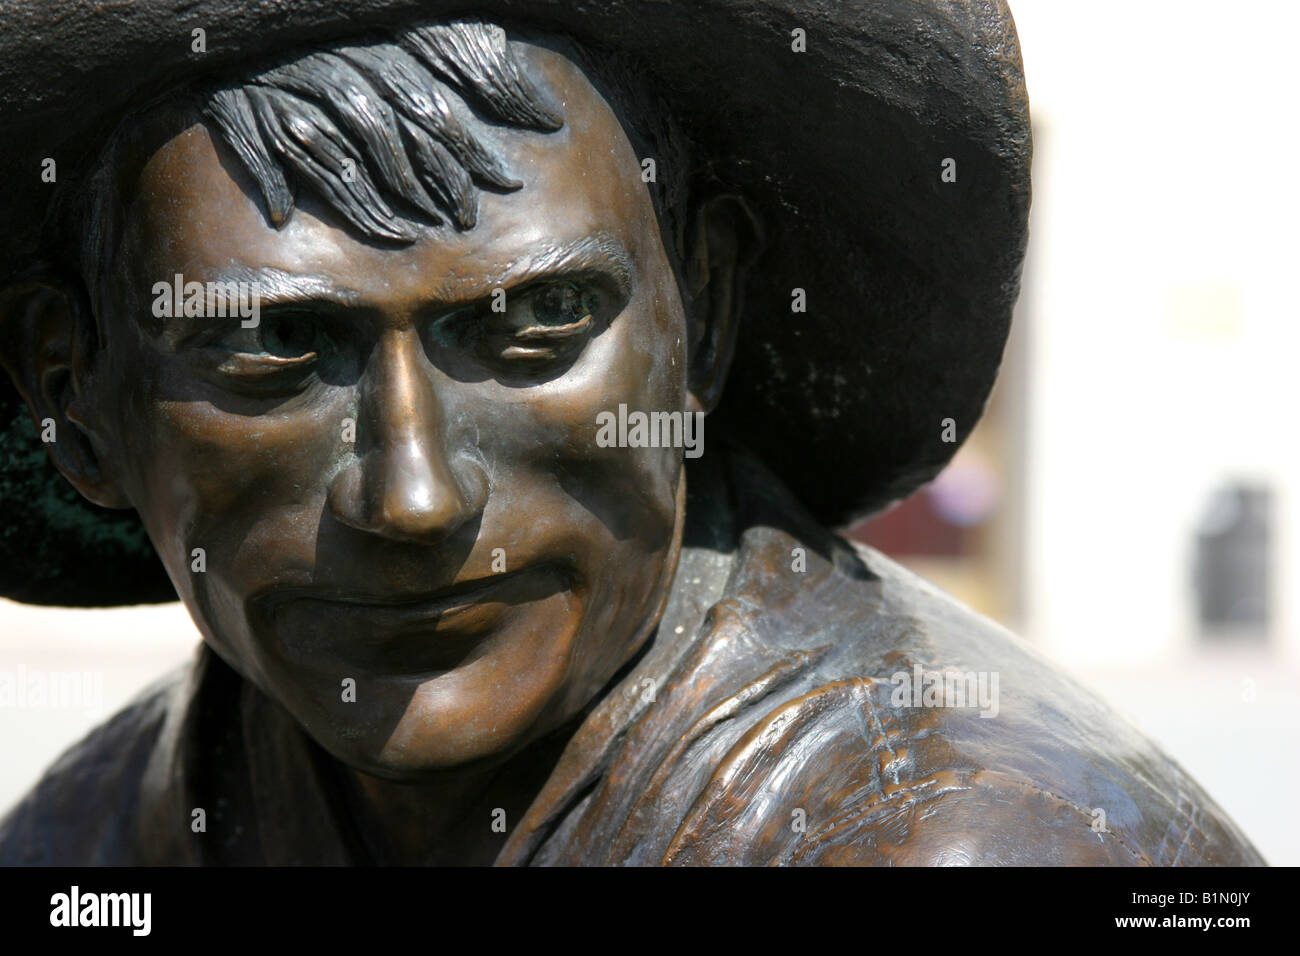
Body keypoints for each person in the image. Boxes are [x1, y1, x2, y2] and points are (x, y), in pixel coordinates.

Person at [0, 3, 1263, 865]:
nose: (416, 495)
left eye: (540, 320)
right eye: (272, 350)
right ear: (74, 394)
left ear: (702, 311)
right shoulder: (96, 837)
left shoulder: (967, 840)